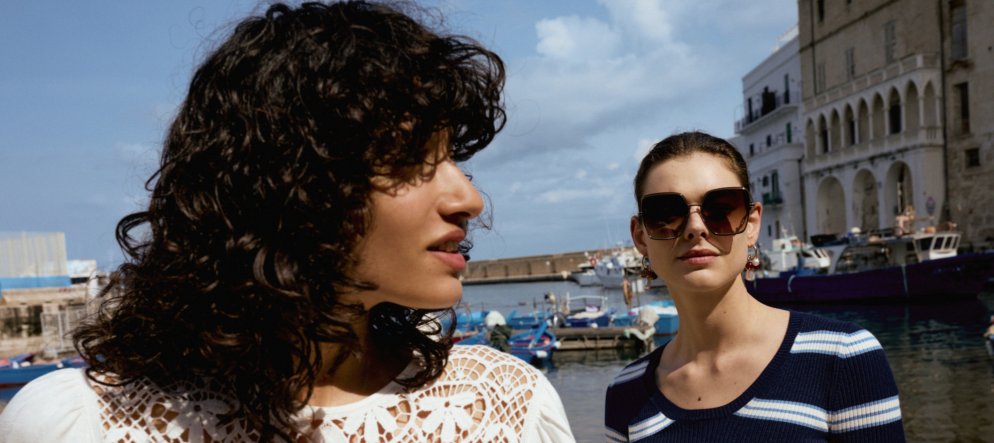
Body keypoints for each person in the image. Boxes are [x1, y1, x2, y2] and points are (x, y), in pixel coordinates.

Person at [0, 2, 574, 442]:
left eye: (455, 161)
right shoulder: (82, 423)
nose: (469, 199)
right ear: (287, 186)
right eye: (407, 160)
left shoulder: (504, 408)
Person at [604, 131, 904, 441]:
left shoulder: (843, 357)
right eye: (666, 215)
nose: (695, 228)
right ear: (640, 237)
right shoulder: (626, 392)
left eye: (720, 210)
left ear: (751, 224)